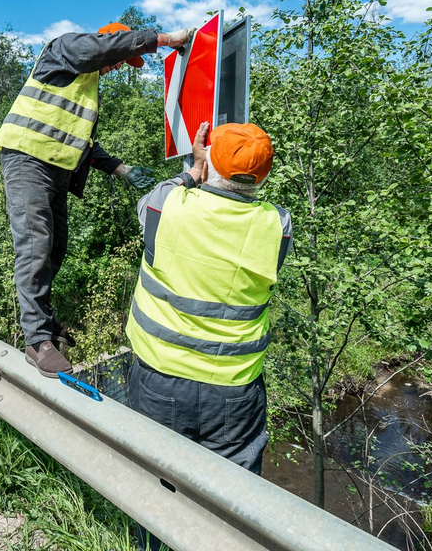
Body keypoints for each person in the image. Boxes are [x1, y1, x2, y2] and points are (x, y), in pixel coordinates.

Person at [0, 22, 195, 377]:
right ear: (107, 43)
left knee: (55, 248)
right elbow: (98, 49)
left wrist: (122, 169)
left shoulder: (87, 90)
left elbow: (82, 142)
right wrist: (163, 40)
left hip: (56, 169)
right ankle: (36, 339)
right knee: (35, 245)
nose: (119, 66)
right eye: (121, 59)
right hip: (27, 158)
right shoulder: (65, 50)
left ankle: (46, 323)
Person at [126, 121, 292, 551]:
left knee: (152, 488)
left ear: (207, 159)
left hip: (158, 377)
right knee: (229, 505)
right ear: (264, 175)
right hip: (234, 390)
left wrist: (192, 170)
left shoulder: (167, 204)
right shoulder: (278, 226)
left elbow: (150, 201)